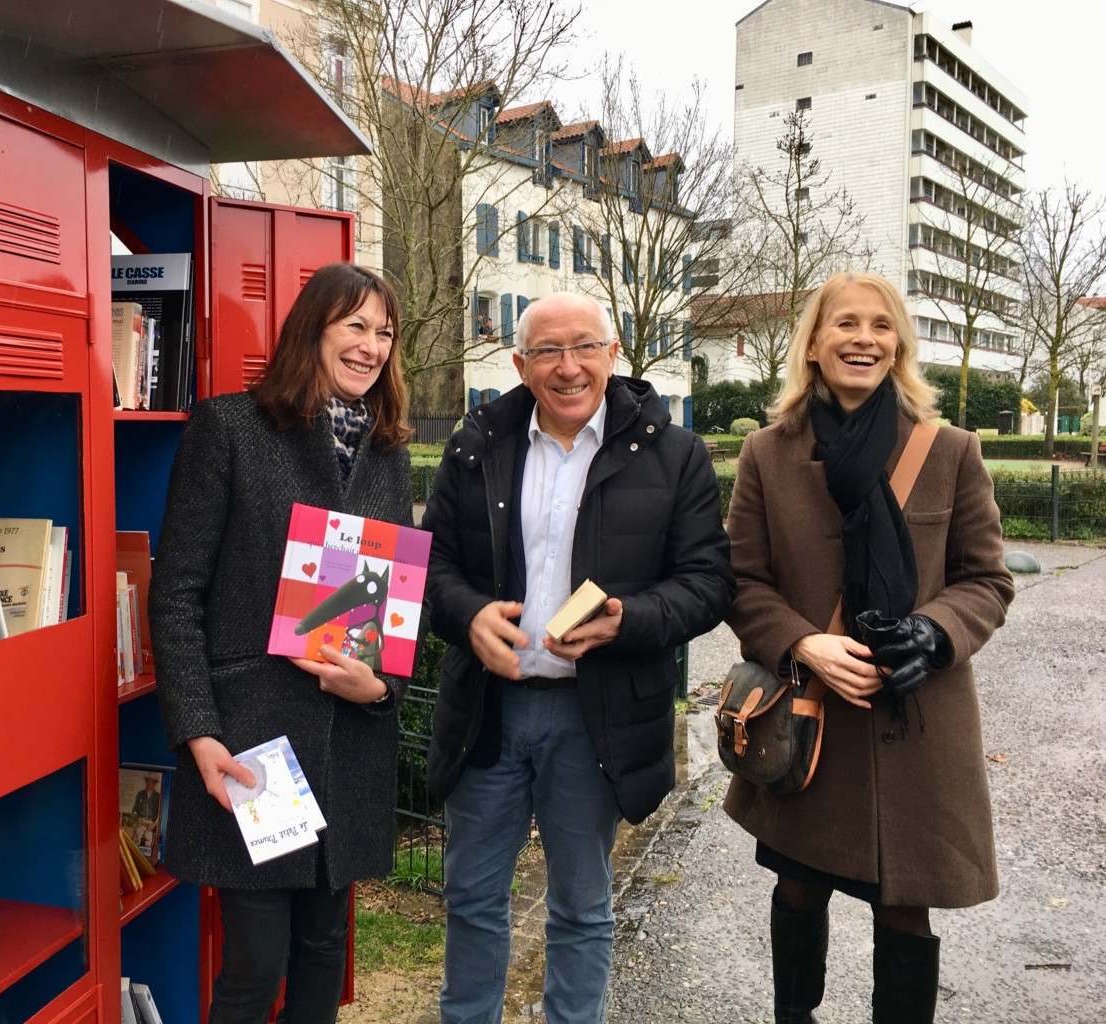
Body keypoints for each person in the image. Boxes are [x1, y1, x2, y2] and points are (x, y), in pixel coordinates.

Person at [422, 292, 734, 1024]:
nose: (568, 368)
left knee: (581, 906)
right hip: (486, 712)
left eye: (584, 347)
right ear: (518, 364)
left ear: (613, 352)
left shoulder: (674, 453)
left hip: (595, 716)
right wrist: (467, 617)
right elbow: (430, 561)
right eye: (547, 353)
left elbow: (707, 583)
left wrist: (628, 619)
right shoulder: (476, 446)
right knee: (470, 897)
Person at [721, 272, 1015, 1023]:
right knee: (795, 885)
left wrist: (933, 630)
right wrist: (804, 643)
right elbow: (741, 581)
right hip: (809, 709)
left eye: (880, 326)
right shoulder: (765, 453)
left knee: (903, 909)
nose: (863, 338)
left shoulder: (949, 450)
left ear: (898, 346)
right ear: (813, 344)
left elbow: (984, 580)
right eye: (844, 324)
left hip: (913, 720)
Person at [149, 262, 417, 1024]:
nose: (371, 346)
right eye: (355, 327)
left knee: (323, 951)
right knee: (253, 968)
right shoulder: (229, 428)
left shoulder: (389, 451)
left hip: (348, 742)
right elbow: (176, 598)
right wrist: (197, 732)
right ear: (313, 331)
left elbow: (398, 599)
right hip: (252, 742)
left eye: (385, 333)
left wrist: (381, 687)